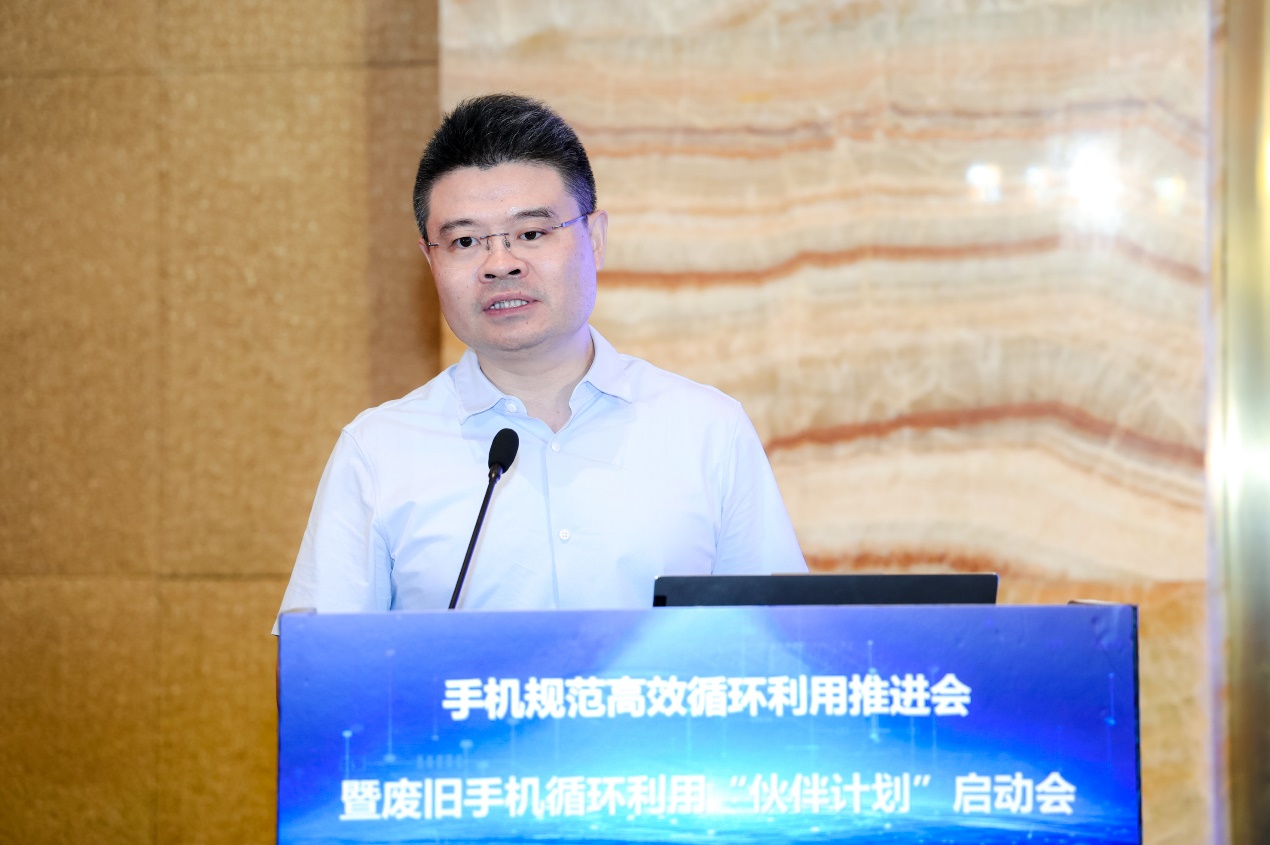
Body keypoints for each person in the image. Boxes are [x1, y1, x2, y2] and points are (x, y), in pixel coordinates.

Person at [273, 94, 805, 632]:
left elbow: (784, 644)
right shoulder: (378, 452)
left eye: (530, 233)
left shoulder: (706, 430)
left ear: (595, 239)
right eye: (464, 241)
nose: (500, 264)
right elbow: (315, 669)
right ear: (429, 261)